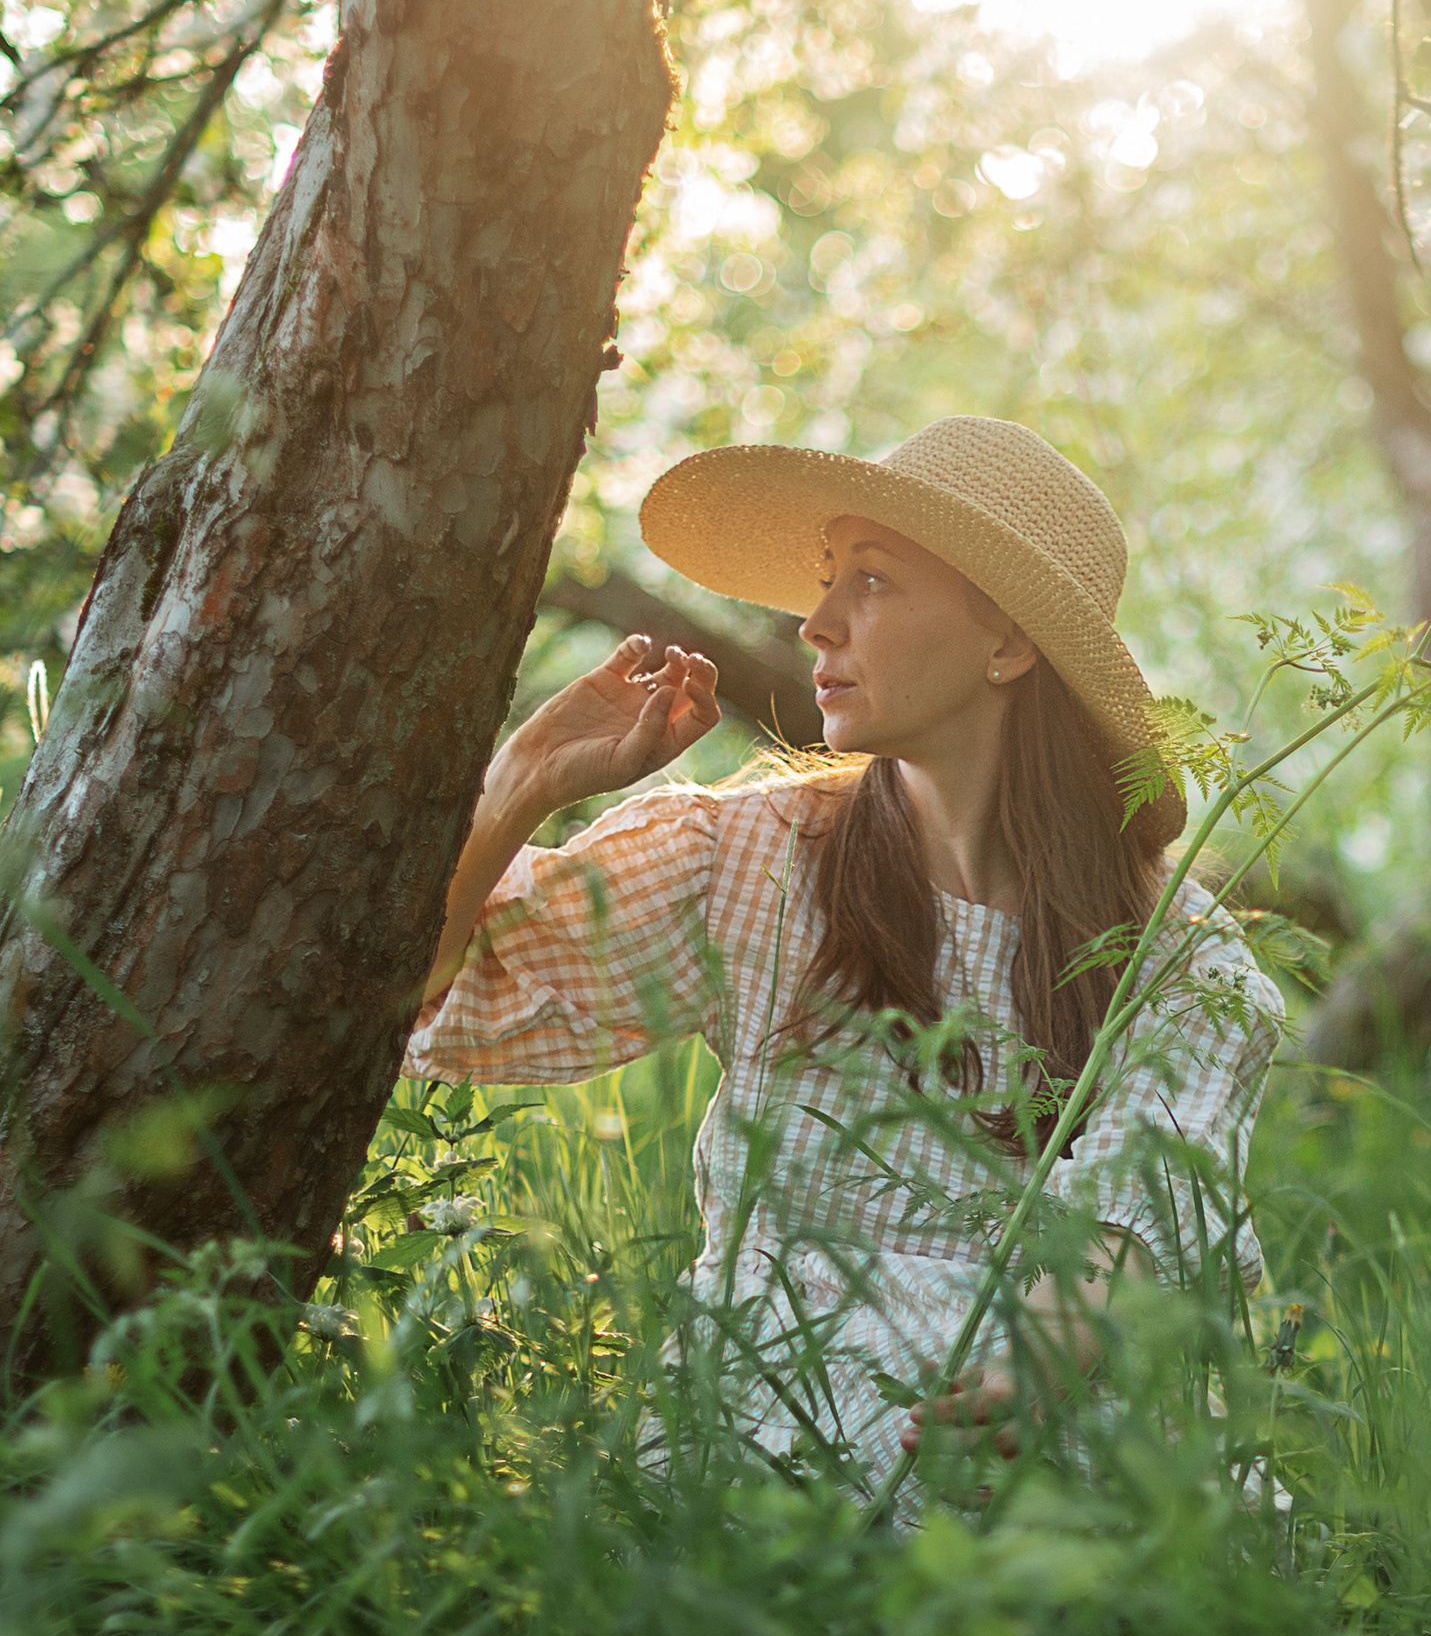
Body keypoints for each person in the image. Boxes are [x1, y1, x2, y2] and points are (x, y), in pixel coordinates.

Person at [407, 415, 1286, 1490]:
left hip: (1049, 1477)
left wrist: (1036, 1355)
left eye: (869, 581)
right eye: (827, 581)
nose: (815, 624)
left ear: (1007, 643)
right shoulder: (748, 860)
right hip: (769, 1462)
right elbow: (437, 999)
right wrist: (520, 785)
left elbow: (1132, 1214)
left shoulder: (1178, 960)